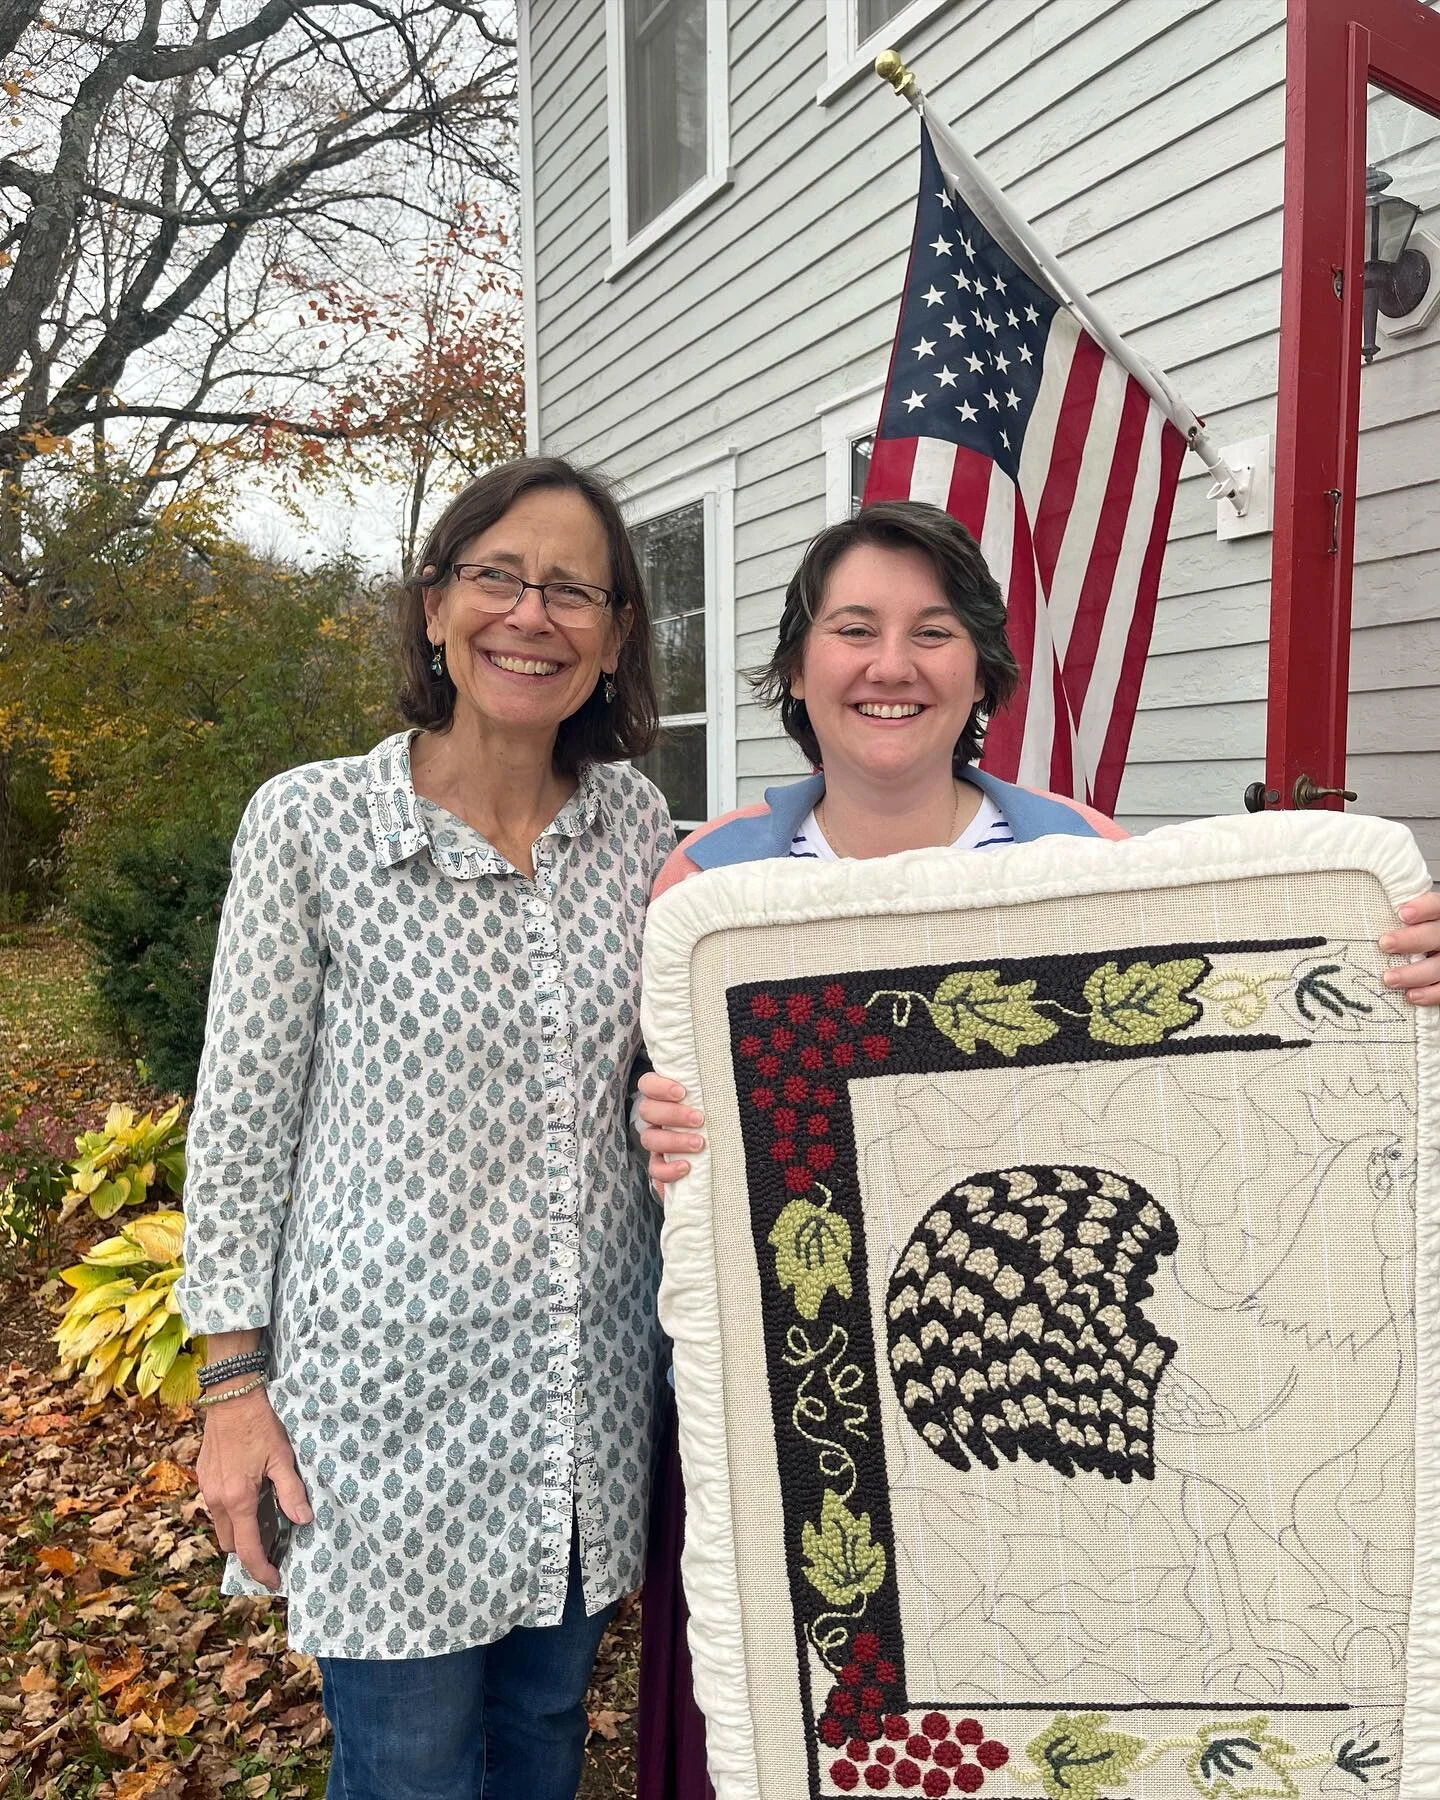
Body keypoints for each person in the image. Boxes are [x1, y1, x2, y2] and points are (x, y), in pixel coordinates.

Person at [632, 498, 1440, 1800]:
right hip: (813, 1458)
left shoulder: (1086, 860)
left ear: (981, 675)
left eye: (933, 631)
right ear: (796, 665)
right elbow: (683, 1144)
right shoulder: (713, 895)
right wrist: (662, 1126)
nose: (892, 664)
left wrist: (1397, 977)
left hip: (1090, 1500)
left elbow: (1214, 1102)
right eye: (855, 628)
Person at [178, 456, 675, 1800]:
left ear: (618, 633)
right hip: (378, 1419)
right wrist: (233, 1391)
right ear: (435, 605)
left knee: (543, 1742)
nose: (533, 614)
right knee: (404, 1769)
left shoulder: (638, 828)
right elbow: (239, 1128)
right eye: (497, 576)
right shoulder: (315, 822)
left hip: (581, 1408)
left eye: (574, 589)